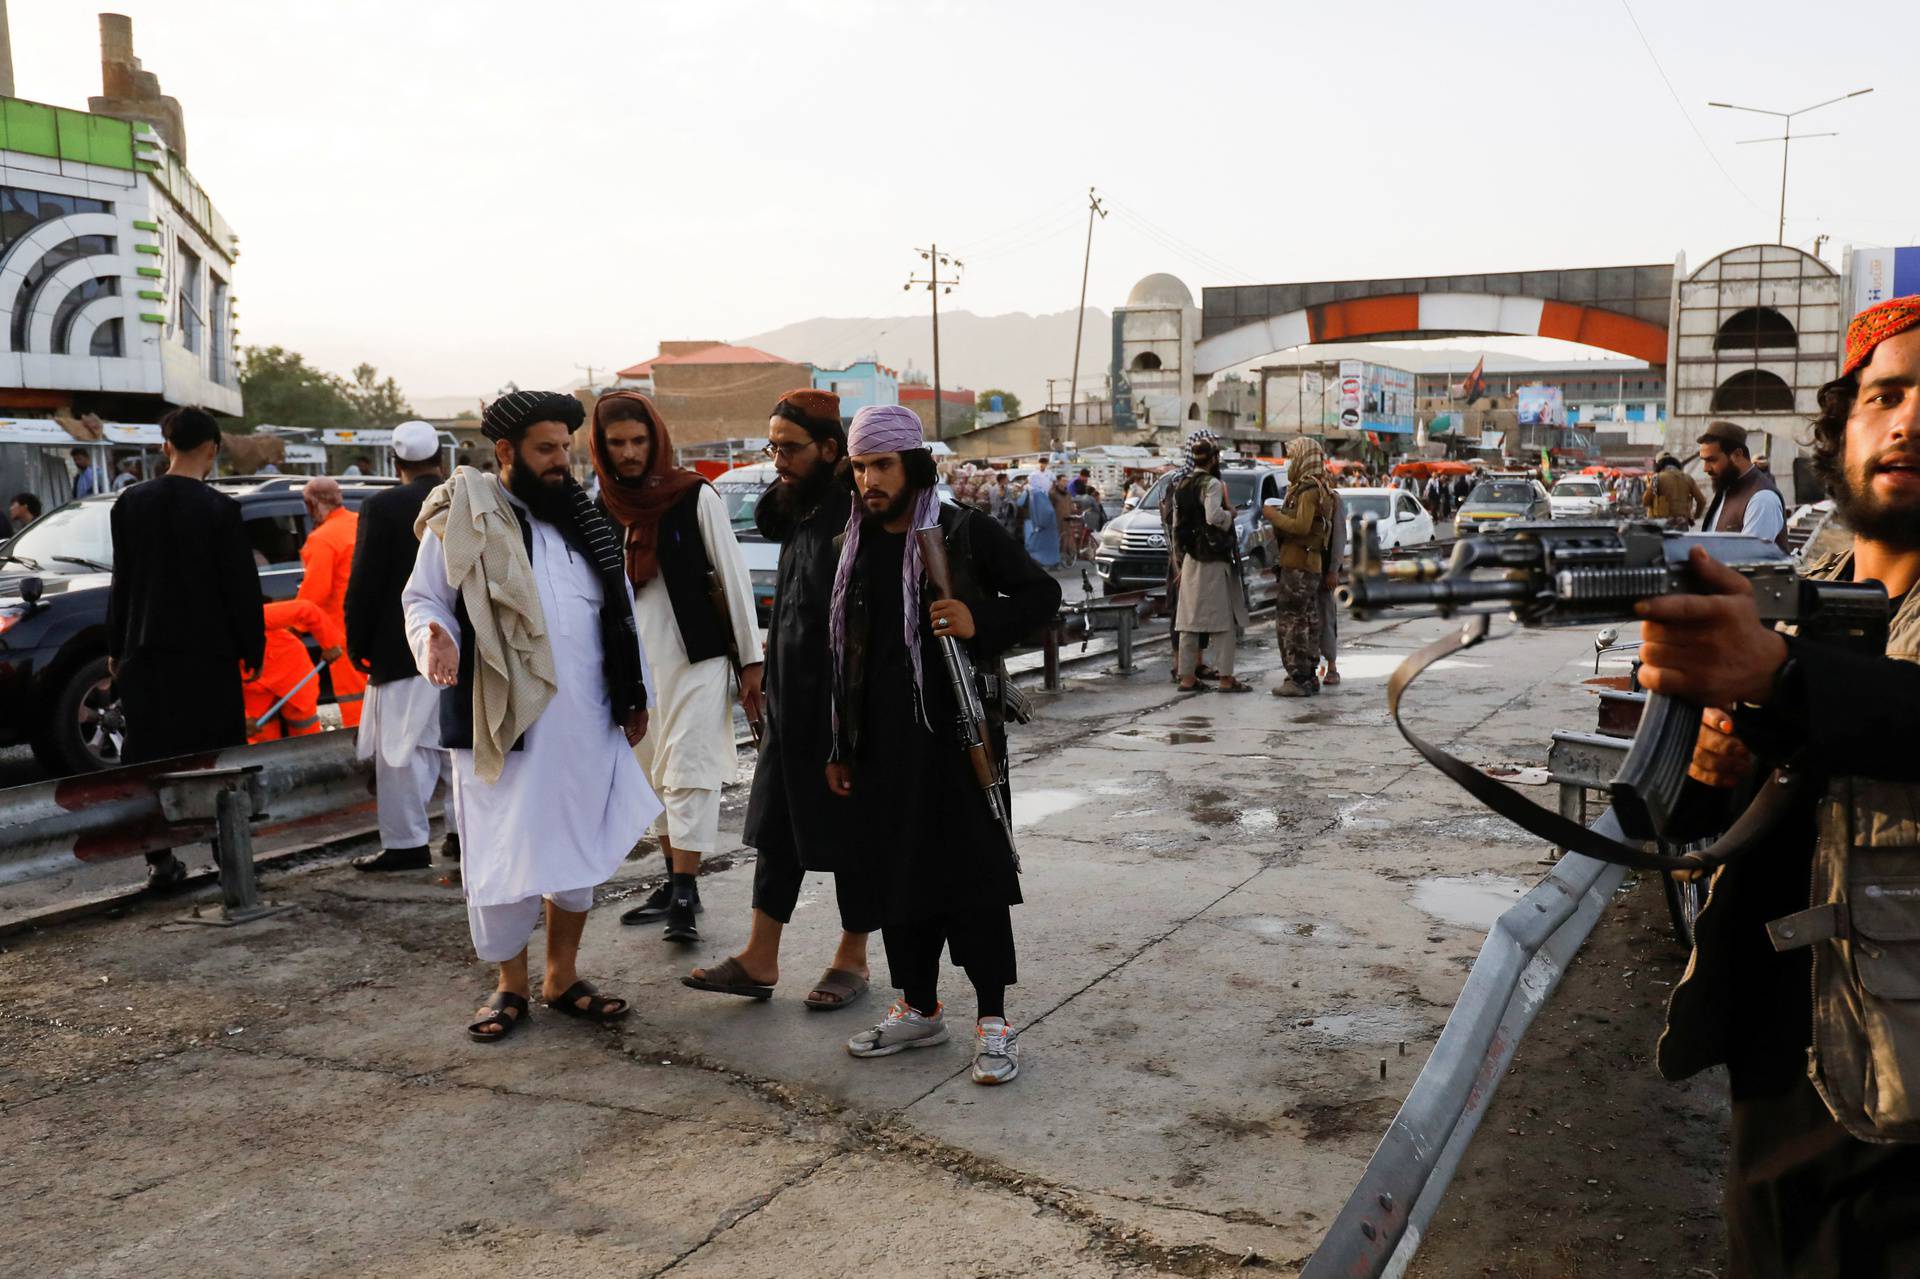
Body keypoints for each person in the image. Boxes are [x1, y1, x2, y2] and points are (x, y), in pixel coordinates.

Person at [1641, 296, 1920, 1277]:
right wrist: (1724, 759)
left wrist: (1781, 680)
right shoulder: (1819, 571)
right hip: (1790, 1070)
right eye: (1886, 394)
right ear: (1842, 429)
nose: (1910, 419)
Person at [403, 389, 659, 1043]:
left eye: (565, 449)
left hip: (585, 720)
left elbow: (621, 609)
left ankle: (562, 975)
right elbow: (422, 597)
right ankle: (509, 984)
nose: (560, 461)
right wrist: (435, 635)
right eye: (546, 449)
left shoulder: (585, 521)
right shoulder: (465, 516)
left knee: (574, 847)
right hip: (502, 724)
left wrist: (638, 695)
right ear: (508, 452)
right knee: (502, 853)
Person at [827, 405, 1060, 1083]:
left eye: (882, 465)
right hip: (881, 748)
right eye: (861, 466)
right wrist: (839, 745)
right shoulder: (852, 544)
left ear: (914, 465)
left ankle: (993, 1020)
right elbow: (842, 656)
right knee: (898, 879)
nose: (870, 479)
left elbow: (1039, 594)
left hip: (960, 741)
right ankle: (919, 1007)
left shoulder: (960, 529)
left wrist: (974, 617)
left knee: (976, 880)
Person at [687, 389, 880, 1009]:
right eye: (772, 446)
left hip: (844, 704)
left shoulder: (859, 512)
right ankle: (760, 956)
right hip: (788, 698)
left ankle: (853, 958)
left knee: (852, 832)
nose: (778, 459)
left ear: (832, 449)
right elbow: (767, 517)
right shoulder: (799, 503)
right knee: (776, 829)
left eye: (790, 448)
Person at [588, 391, 763, 944]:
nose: (630, 453)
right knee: (652, 777)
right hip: (636, 672)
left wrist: (750, 662)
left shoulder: (692, 496)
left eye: (638, 441)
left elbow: (732, 578)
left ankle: (685, 891)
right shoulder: (601, 508)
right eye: (617, 443)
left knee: (689, 770)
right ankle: (674, 881)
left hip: (698, 658)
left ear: (655, 439)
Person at [106, 408, 265, 890]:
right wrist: (250, 647)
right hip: (206, 659)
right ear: (213, 449)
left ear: (165, 446)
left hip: (146, 653)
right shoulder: (220, 509)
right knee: (215, 757)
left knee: (149, 759)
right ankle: (228, 856)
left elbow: (123, 584)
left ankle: (159, 862)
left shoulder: (130, 503)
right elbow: (239, 586)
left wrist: (118, 647)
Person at [345, 421, 456, 873]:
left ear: (396, 463)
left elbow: (366, 582)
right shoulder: (463, 499)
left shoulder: (382, 506)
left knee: (402, 753)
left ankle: (407, 844)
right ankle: (461, 836)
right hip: (461, 646)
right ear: (441, 461)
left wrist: (357, 642)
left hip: (402, 648)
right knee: (455, 748)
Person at [1169, 429, 1252, 693]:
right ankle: (1226, 678)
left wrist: (1179, 561)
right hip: (1213, 560)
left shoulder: (1181, 485)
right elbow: (1212, 516)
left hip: (1191, 560)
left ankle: (1187, 678)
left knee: (1189, 620)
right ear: (1214, 459)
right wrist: (1230, 514)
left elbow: (1176, 526)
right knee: (1222, 621)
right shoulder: (1212, 485)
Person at [1263, 435, 1335, 698]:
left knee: (1291, 622)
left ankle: (1298, 677)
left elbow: (1302, 527)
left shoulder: (1307, 491)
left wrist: (1273, 516)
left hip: (1298, 565)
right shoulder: (1320, 487)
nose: (1290, 462)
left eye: (1293, 456)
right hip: (1309, 564)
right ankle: (1308, 676)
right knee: (1308, 619)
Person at [298, 477, 366, 728]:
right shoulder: (361, 522)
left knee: (356, 704)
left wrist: (289, 628)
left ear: (311, 504)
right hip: (374, 629)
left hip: (342, 636)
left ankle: (364, 755)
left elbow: (311, 598)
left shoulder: (322, 539)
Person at [243, 598, 341, 742]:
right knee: (259, 735)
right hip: (252, 687)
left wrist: (330, 643)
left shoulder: (254, 617)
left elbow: (306, 609)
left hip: (293, 673)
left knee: (304, 730)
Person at [1696, 421, 1787, 549]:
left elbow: (1749, 559)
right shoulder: (1727, 487)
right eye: (1704, 460)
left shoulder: (1762, 499)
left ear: (1737, 454)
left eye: (1712, 460)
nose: (1705, 469)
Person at [1319, 485, 1345, 686]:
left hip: (1324, 570)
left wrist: (1334, 569)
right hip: (1302, 572)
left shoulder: (1332, 499)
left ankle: (1331, 665)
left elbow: (1339, 537)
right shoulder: (1296, 492)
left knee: (1326, 617)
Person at [1647, 453, 1707, 528]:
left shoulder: (1657, 478)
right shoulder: (1688, 478)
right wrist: (1695, 516)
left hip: (1663, 524)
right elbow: (1702, 501)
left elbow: (1646, 500)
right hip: (1682, 524)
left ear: (1659, 465)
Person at [1023, 464, 1059, 568]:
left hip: (1042, 526)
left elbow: (1045, 511)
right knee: (1045, 546)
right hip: (1045, 526)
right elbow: (1048, 511)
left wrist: (1040, 524)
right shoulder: (1038, 494)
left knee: (1038, 546)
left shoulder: (1035, 494)